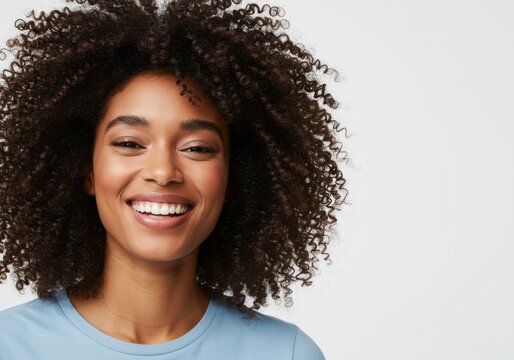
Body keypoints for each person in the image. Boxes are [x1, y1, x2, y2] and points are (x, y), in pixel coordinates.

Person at [0, 0, 348, 358]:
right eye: (130, 143)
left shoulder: (285, 354)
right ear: (86, 170)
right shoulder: (8, 344)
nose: (164, 172)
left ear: (233, 175)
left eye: (197, 148)